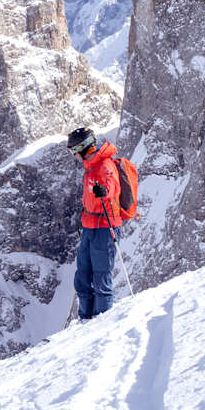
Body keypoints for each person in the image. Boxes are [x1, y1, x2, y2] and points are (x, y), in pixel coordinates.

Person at [67, 126, 122, 320]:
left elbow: (112, 185)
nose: (74, 155)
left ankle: (102, 321)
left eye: (74, 150)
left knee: (101, 276)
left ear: (84, 147)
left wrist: (104, 191)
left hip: (105, 227)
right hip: (89, 227)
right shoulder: (89, 166)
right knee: (83, 276)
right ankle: (85, 319)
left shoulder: (105, 165)